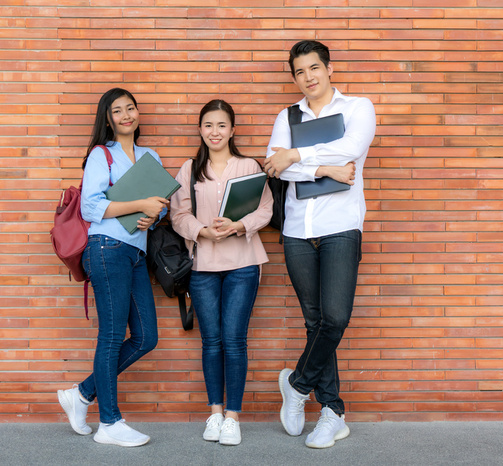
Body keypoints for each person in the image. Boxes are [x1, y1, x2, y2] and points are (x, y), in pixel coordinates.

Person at [264, 40, 376, 449]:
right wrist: (323, 166)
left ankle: (296, 384)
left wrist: (296, 155)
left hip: (341, 226)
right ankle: (332, 411)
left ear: (329, 69)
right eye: (299, 72)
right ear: (294, 77)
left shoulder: (357, 108)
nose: (308, 77)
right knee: (315, 323)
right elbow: (275, 166)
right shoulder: (286, 115)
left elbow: (352, 151)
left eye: (314, 68)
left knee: (335, 317)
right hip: (296, 231)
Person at [57, 88, 168, 447]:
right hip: (106, 249)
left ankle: (82, 393)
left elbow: (161, 203)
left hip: (135, 253)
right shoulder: (100, 155)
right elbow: (90, 207)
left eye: (131, 108)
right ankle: (109, 422)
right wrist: (139, 203)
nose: (126, 115)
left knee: (146, 336)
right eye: (117, 111)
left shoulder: (150, 156)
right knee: (111, 334)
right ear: (108, 119)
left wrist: (152, 215)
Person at [170, 99, 273, 446]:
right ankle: (214, 413)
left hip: (243, 263)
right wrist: (202, 231)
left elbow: (266, 209)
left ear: (232, 129)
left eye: (222, 125)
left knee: (234, 340)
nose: (215, 132)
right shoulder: (189, 169)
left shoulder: (248, 166)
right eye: (208, 125)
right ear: (200, 129)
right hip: (202, 267)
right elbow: (178, 214)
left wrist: (238, 225)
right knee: (211, 341)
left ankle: (233, 417)